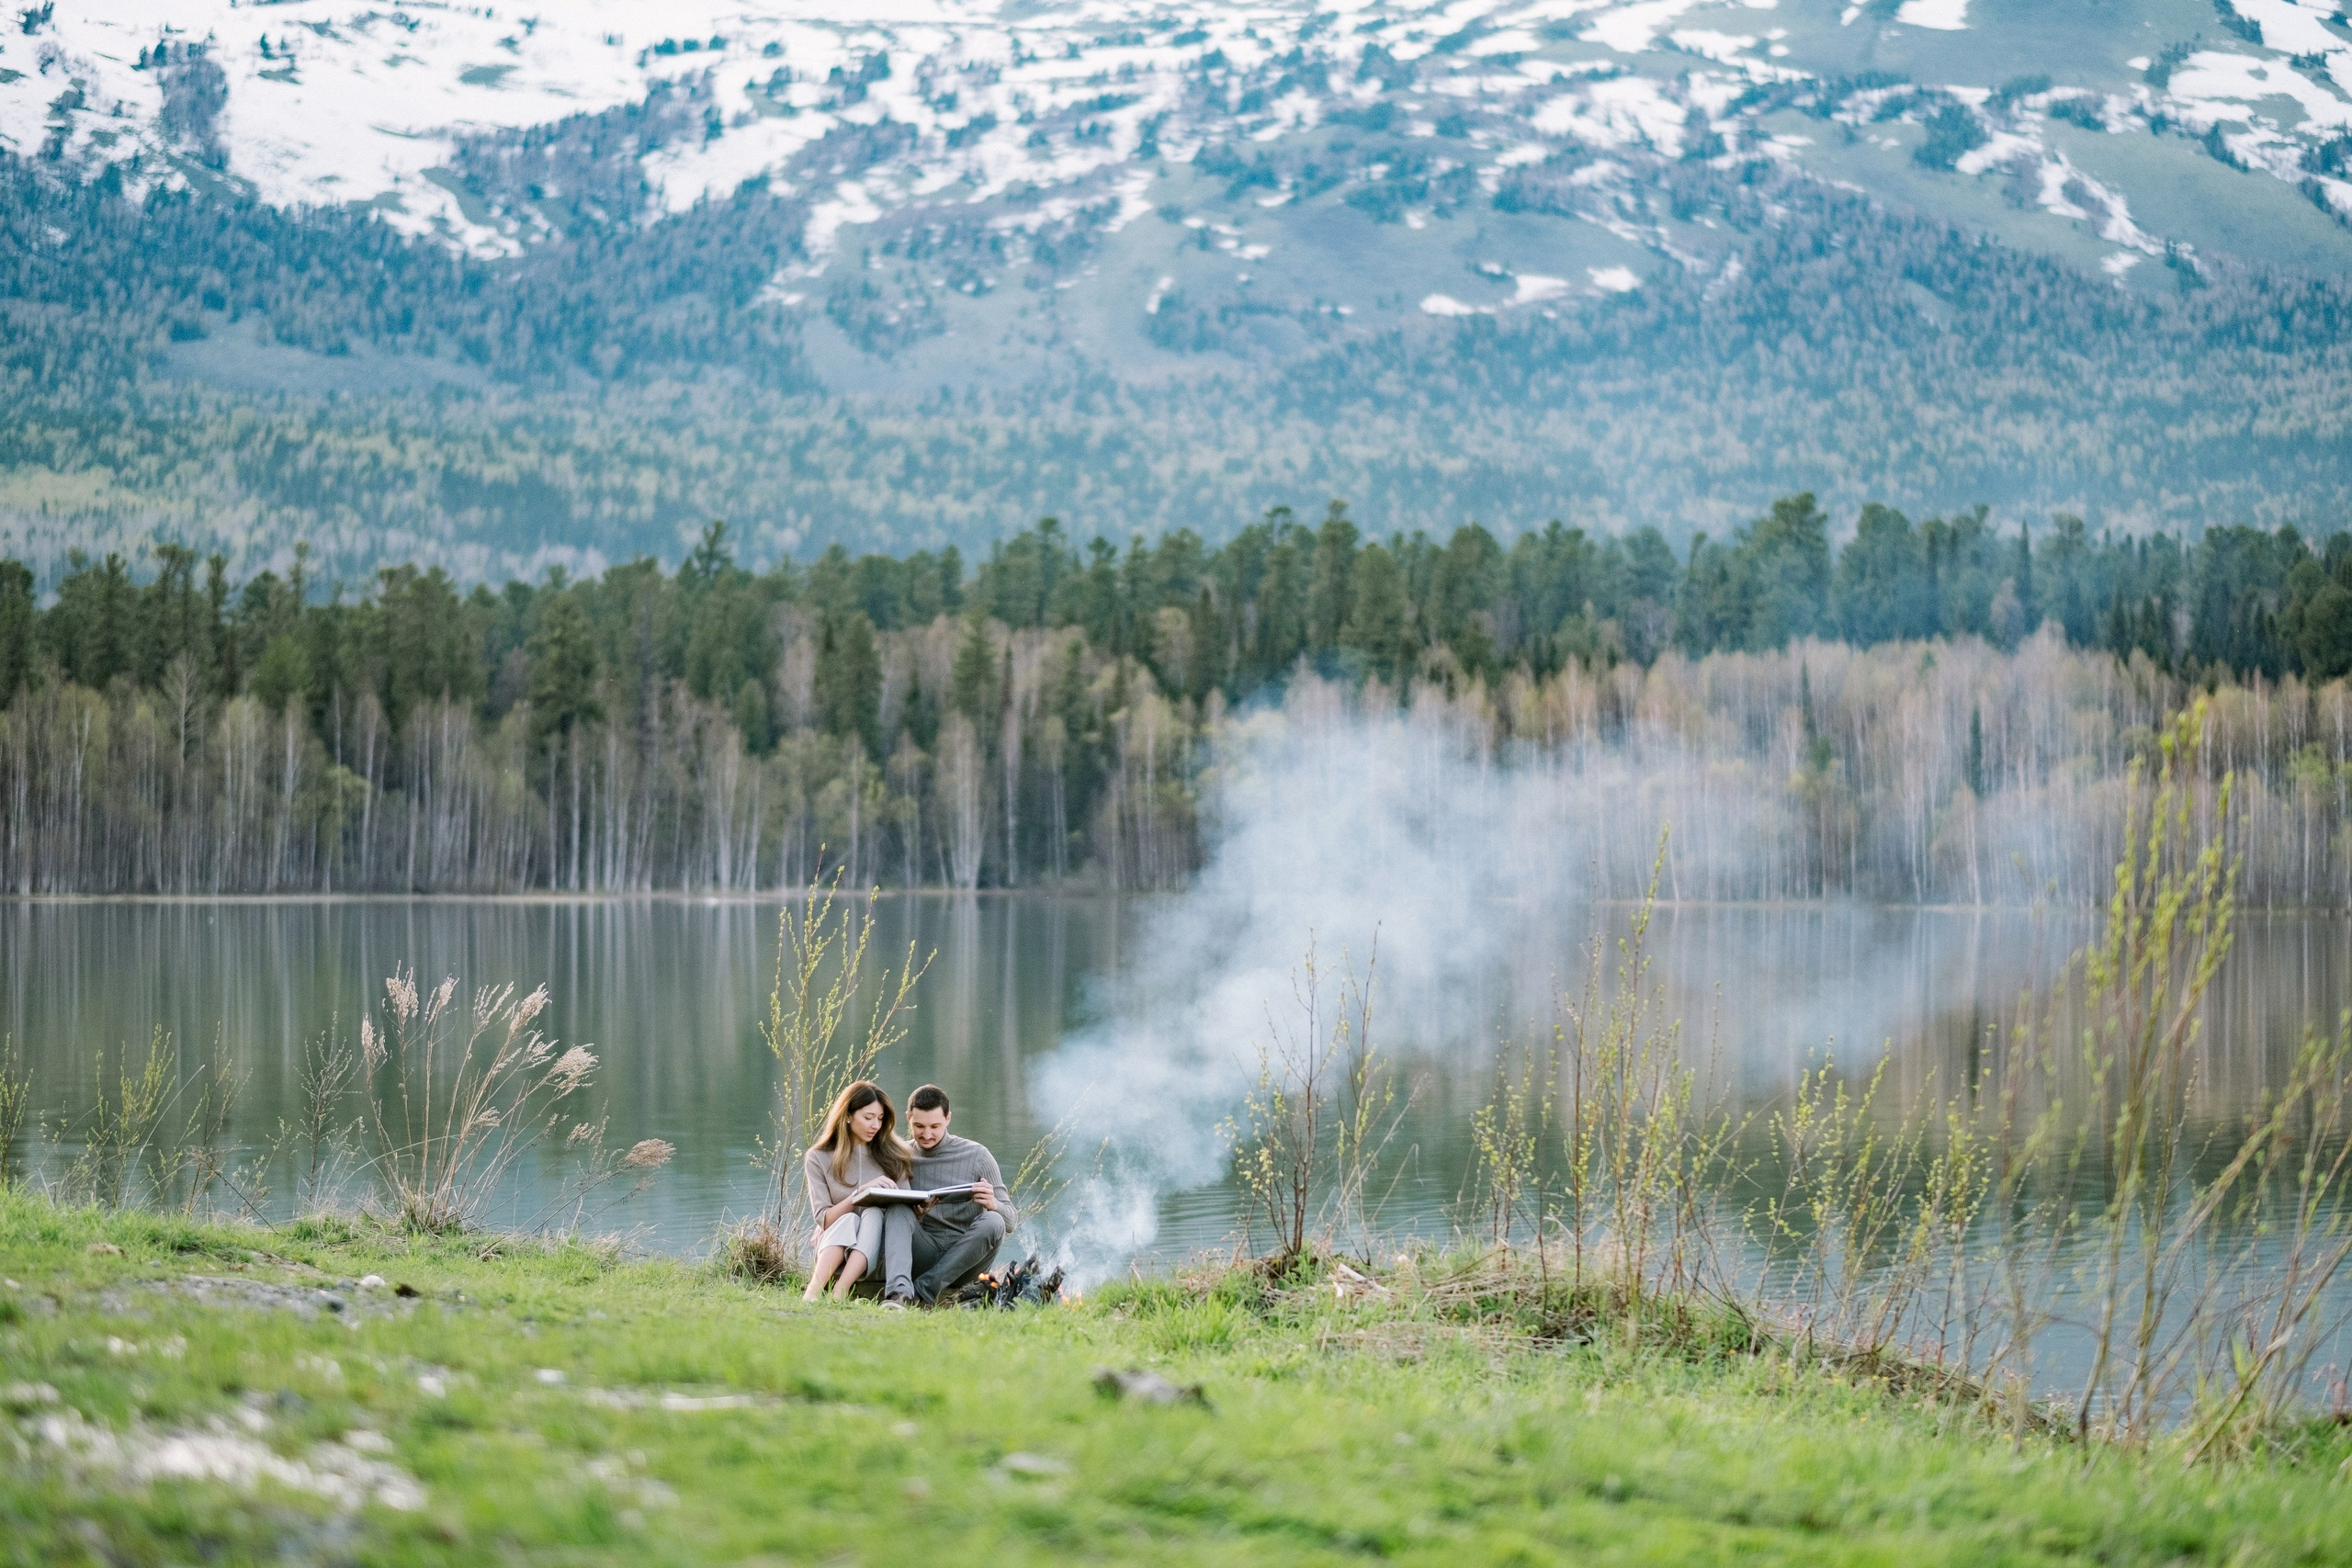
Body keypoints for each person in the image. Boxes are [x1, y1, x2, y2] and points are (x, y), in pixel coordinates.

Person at [879, 1084, 1017, 1305]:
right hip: (923, 1252)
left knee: (994, 1221)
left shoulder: (977, 1155)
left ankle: (923, 1292)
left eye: (935, 1126)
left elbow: (1011, 1221)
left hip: (966, 1260)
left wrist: (993, 1204)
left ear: (948, 1119)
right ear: (908, 1118)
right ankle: (899, 1295)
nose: (927, 1134)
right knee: (896, 1210)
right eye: (919, 1126)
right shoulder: (900, 1155)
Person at [801, 1080, 913, 1302]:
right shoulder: (818, 1157)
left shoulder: (895, 1155)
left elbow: (905, 1208)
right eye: (868, 1117)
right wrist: (860, 1194)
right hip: (832, 1253)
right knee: (849, 1219)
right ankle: (815, 1289)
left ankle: (840, 1291)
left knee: (873, 1214)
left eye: (880, 1119)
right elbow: (824, 1220)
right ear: (848, 1115)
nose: (875, 1125)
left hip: (876, 1257)